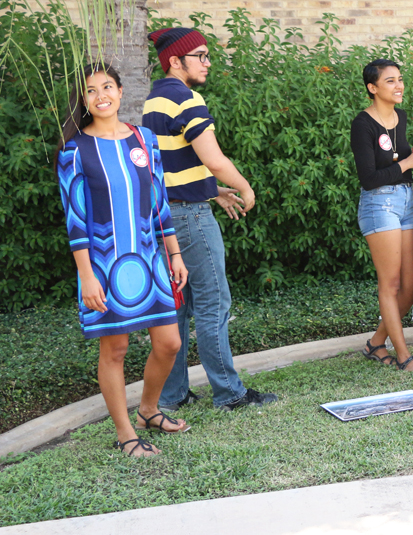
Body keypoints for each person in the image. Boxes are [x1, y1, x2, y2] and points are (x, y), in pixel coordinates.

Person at [56, 64, 191, 456]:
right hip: (103, 265)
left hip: (149, 257)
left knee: (169, 343)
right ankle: (125, 434)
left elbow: (159, 201)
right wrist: (86, 276)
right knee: (114, 351)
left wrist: (174, 253)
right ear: (83, 100)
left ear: (119, 91)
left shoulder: (144, 139)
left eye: (108, 86)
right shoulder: (74, 150)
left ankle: (148, 410)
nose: (101, 96)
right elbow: (75, 219)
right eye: (91, 90)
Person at [143, 27, 278, 411]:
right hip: (190, 218)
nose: (207, 63)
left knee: (179, 308)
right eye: (200, 56)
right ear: (176, 61)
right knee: (213, 303)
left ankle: (173, 394)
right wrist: (244, 187)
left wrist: (212, 190)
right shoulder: (186, 98)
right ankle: (230, 394)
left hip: (166, 217)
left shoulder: (155, 100)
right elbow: (213, 158)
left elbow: (169, 166)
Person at [351, 59, 413, 371]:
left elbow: (395, 157)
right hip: (379, 204)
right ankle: (403, 356)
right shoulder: (362, 124)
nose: (399, 86)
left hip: (405, 201)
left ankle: (375, 343)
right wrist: (409, 163)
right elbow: (369, 178)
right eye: (390, 81)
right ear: (372, 88)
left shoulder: (401, 116)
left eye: (399, 79)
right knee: (391, 284)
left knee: (410, 285)